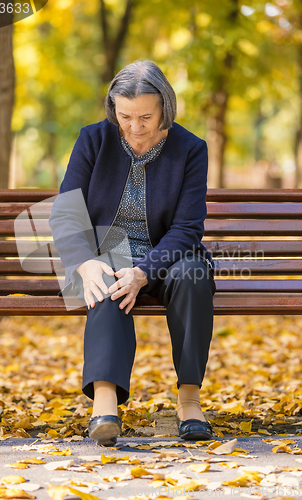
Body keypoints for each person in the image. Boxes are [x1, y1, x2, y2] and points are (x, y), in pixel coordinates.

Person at [49, 59, 216, 447]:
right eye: (125, 116)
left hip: (168, 256)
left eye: (145, 116)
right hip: (108, 252)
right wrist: (84, 262)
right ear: (113, 109)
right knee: (104, 276)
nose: (135, 127)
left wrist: (143, 271)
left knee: (194, 277)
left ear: (165, 109)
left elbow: (187, 227)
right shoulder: (94, 140)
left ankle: (189, 401)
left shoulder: (191, 149)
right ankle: (104, 405)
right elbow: (66, 212)